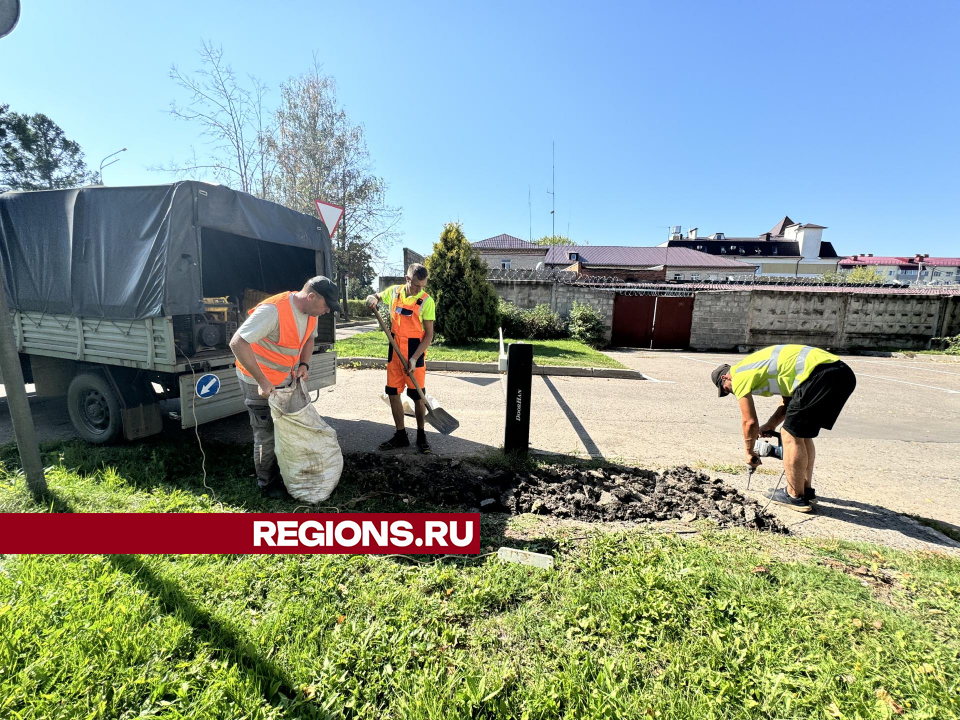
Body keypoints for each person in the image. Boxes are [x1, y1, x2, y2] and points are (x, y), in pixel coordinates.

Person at [230, 276, 341, 498]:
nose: (327, 311)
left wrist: (304, 363)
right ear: (311, 297)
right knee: (266, 434)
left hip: (284, 378)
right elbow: (237, 343)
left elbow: (309, 338)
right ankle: (266, 484)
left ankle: (284, 470)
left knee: (284, 429)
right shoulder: (273, 311)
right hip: (257, 382)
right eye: (326, 306)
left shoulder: (311, 312)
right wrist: (262, 381)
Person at [711, 344, 856, 513]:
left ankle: (794, 495)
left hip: (820, 376)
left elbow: (749, 422)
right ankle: (805, 490)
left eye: (726, 390)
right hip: (842, 374)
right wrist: (771, 425)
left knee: (790, 434)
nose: (730, 392)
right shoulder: (760, 366)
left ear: (724, 379)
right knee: (801, 434)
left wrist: (749, 452)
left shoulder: (739, 375)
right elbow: (788, 403)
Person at [366, 263, 436, 453]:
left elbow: (429, 335)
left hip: (415, 351)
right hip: (395, 347)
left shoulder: (426, 301)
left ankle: (421, 435)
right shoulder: (395, 292)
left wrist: (414, 359)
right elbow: (379, 297)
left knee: (418, 396)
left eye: (423, 286)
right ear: (407, 279)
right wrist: (374, 297)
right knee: (393, 392)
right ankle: (400, 435)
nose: (419, 289)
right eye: (416, 285)